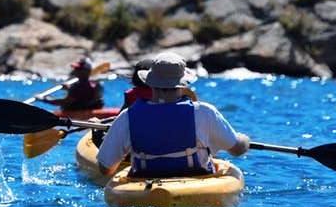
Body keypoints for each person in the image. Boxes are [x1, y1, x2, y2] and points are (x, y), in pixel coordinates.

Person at [96, 51, 249, 178]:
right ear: (182, 83)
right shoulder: (204, 112)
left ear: (150, 82)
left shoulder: (127, 116)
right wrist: (243, 140)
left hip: (145, 190)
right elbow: (237, 150)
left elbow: (105, 169)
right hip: (195, 189)